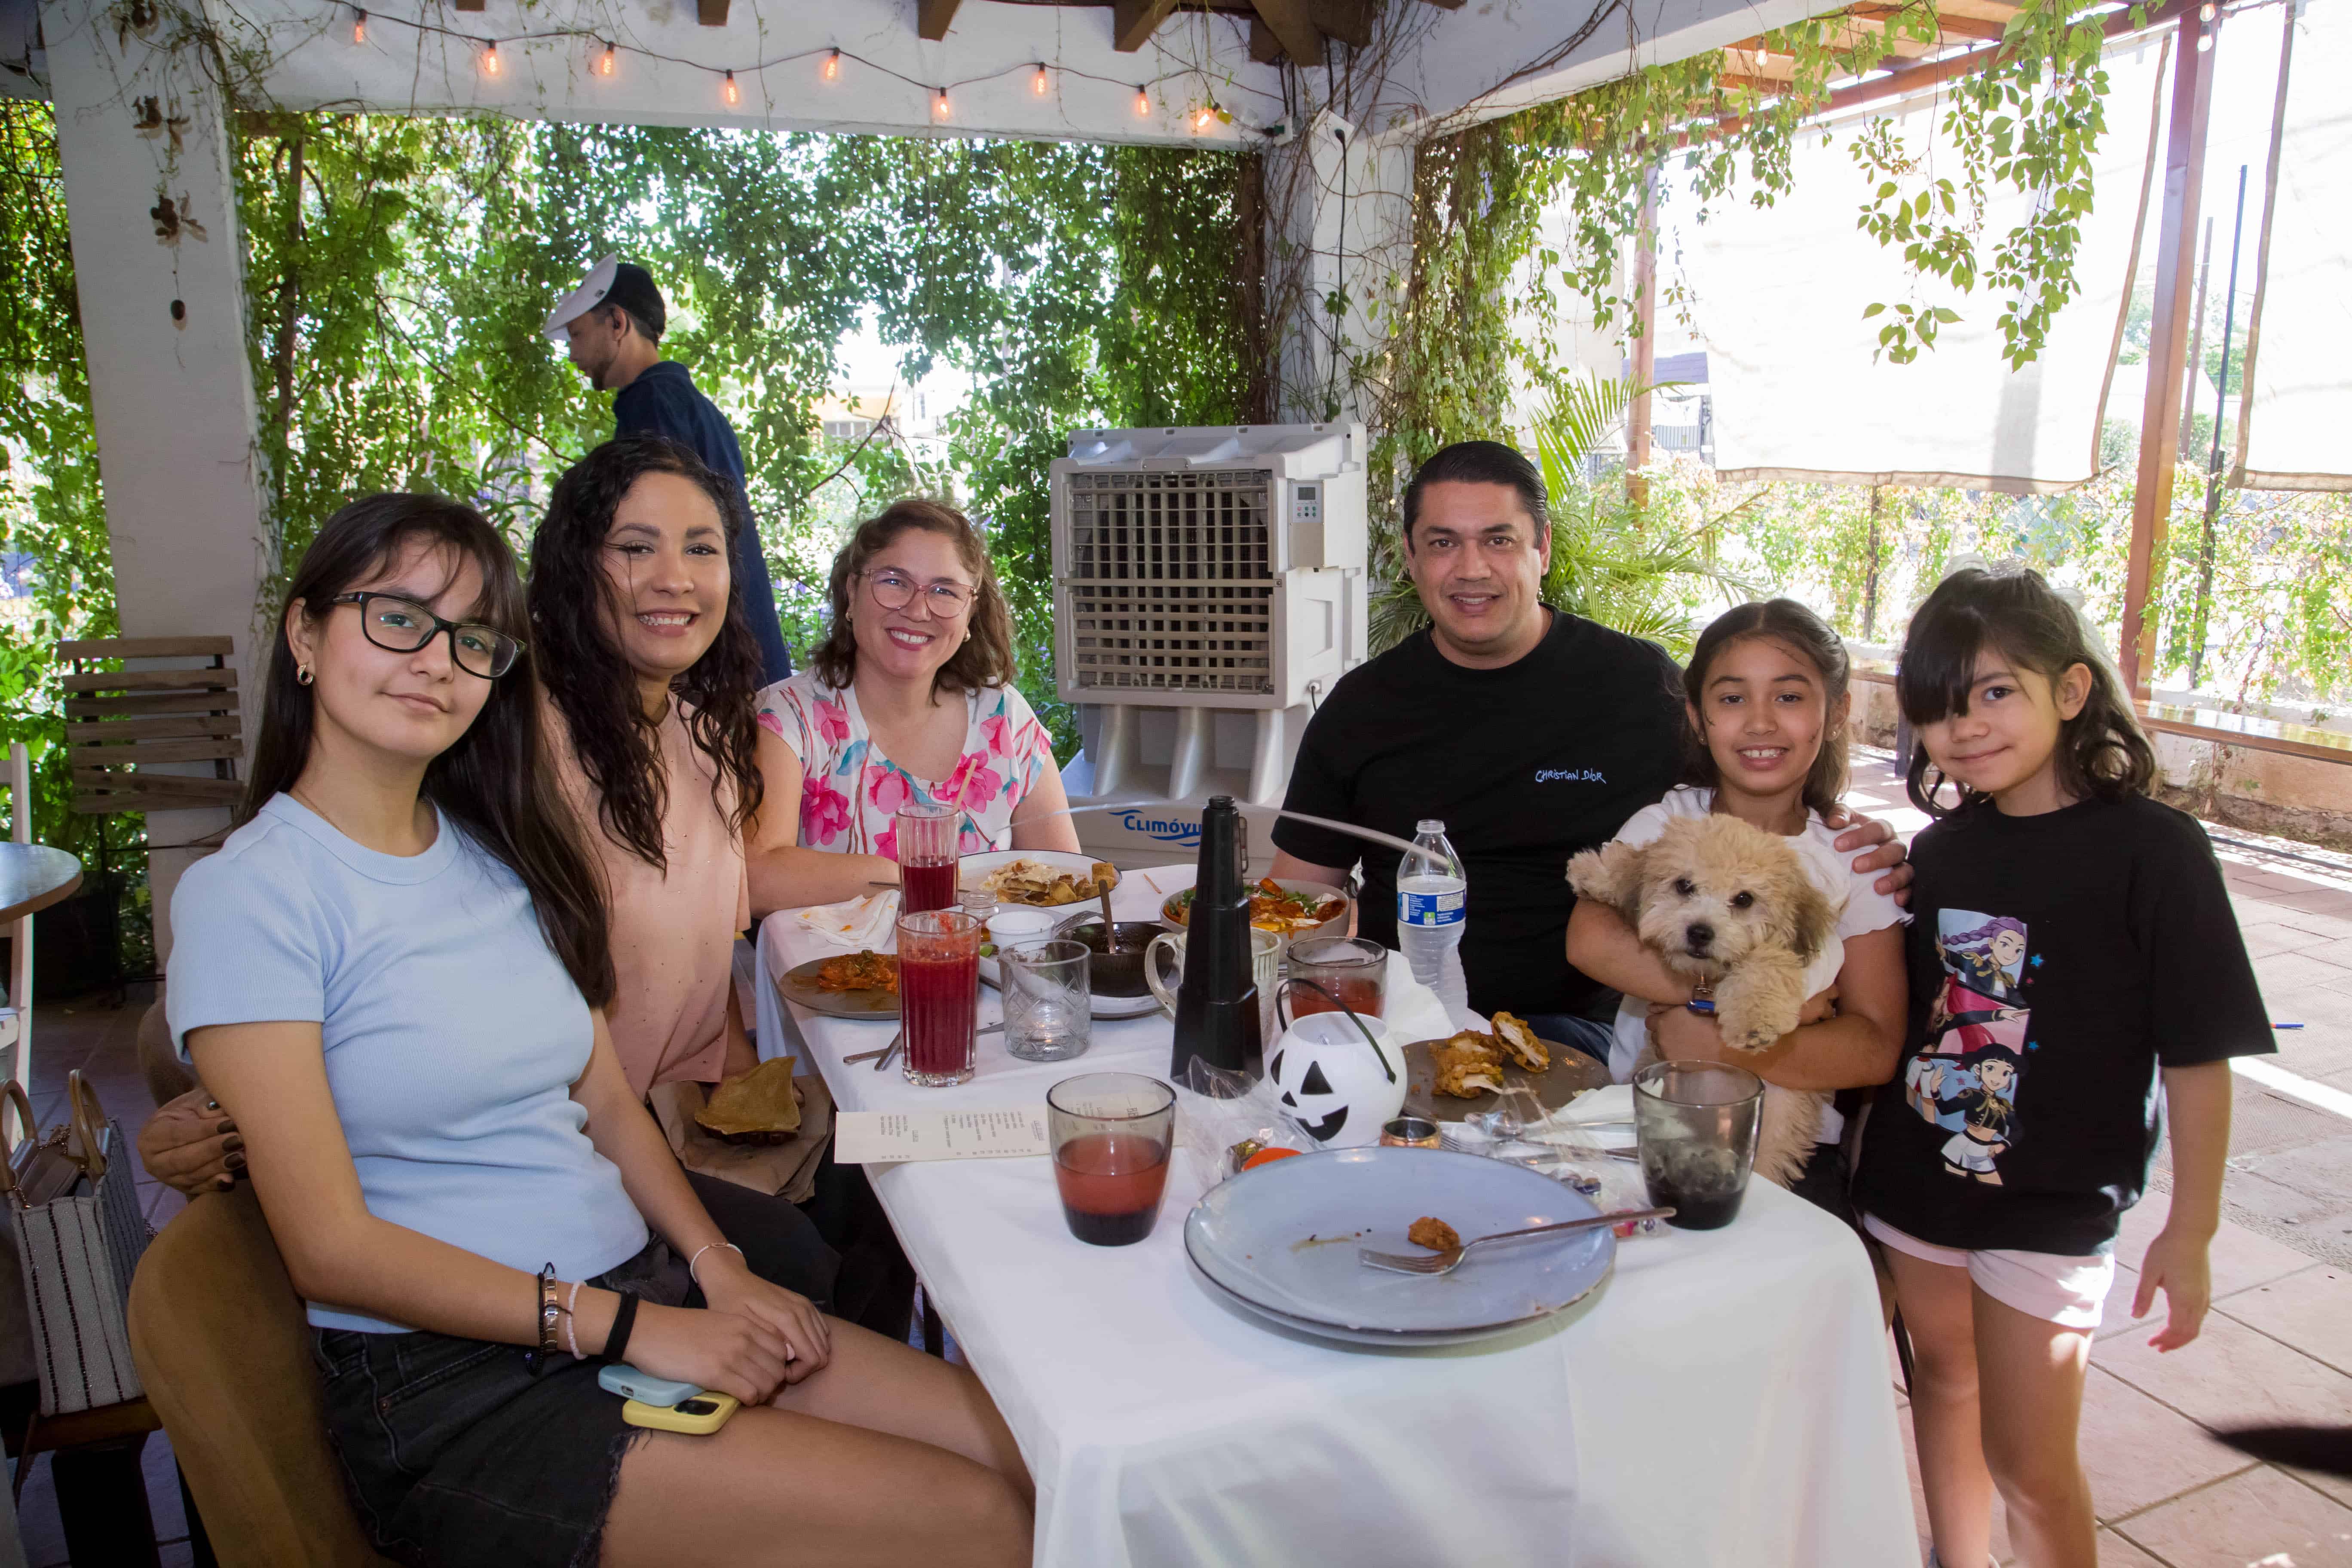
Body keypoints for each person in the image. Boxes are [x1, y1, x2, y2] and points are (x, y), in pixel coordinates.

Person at [166, 491, 1030, 1567]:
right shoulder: (249, 894)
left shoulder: (493, 851)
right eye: (396, 617)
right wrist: (637, 1329)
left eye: (471, 637)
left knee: (1033, 1458)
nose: (435, 660)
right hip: (468, 1387)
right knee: (981, 1524)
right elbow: (332, 1251)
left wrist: (717, 1266)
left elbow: (606, 1103)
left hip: (633, 1286)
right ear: (305, 634)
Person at [1850, 566, 2269, 1568]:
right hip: (1917, 1185)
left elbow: (2198, 1055)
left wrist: (2192, 1225)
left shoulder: (2153, 851)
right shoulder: (1941, 849)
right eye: (1939, 710)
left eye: (1994, 692)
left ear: (2069, 691)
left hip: (2053, 1204)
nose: (1965, 728)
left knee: (2030, 1463)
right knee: (1941, 1392)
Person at [1268, 440, 1908, 1060]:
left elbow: (1750, 790)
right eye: (1443, 544)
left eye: (1499, 540)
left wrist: (1844, 831)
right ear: (1410, 556)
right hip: (1408, 1026)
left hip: (1587, 1035)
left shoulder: (1636, 686)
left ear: (1541, 548)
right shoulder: (1361, 709)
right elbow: (1298, 901)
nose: (1471, 569)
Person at [1564, 598, 1908, 1219]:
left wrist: (1730, 1046)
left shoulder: (1853, 861)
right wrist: (1761, 1005)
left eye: (1789, 697)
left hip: (1790, 1153)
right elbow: (1589, 942)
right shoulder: (1666, 822)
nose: (1759, 723)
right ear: (1697, 718)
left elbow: (1875, 1044)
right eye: (1731, 699)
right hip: (1644, 1123)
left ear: (1835, 714)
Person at [747, 498, 1079, 913]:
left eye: (944, 591)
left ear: (970, 612)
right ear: (851, 593)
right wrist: (923, 880)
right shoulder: (787, 717)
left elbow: (1070, 887)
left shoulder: (1005, 719)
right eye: (893, 581)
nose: (917, 609)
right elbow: (756, 879)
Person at [546, 255, 794, 686]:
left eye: (577, 334)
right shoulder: (699, 408)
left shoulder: (652, 406)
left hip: (702, 661)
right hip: (741, 649)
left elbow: (658, 536)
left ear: (617, 323)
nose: (572, 354)